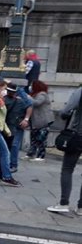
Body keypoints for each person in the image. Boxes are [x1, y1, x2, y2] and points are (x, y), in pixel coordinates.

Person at [47, 86, 82, 216]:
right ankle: (81, 208)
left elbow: (66, 110)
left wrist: (64, 115)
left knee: (67, 169)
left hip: (78, 135)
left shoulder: (80, 91)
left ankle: (63, 203)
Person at [3, 83, 32, 173]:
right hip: (8, 124)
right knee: (8, 145)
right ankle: (8, 164)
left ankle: (13, 164)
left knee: (14, 145)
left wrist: (26, 120)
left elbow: (29, 106)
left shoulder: (21, 100)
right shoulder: (4, 99)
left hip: (17, 125)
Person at [24, 80, 54, 162]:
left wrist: (28, 97)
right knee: (33, 138)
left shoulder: (42, 94)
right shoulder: (35, 95)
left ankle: (41, 156)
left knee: (41, 138)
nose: (30, 87)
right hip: (36, 121)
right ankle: (30, 154)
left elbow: (37, 103)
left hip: (43, 120)